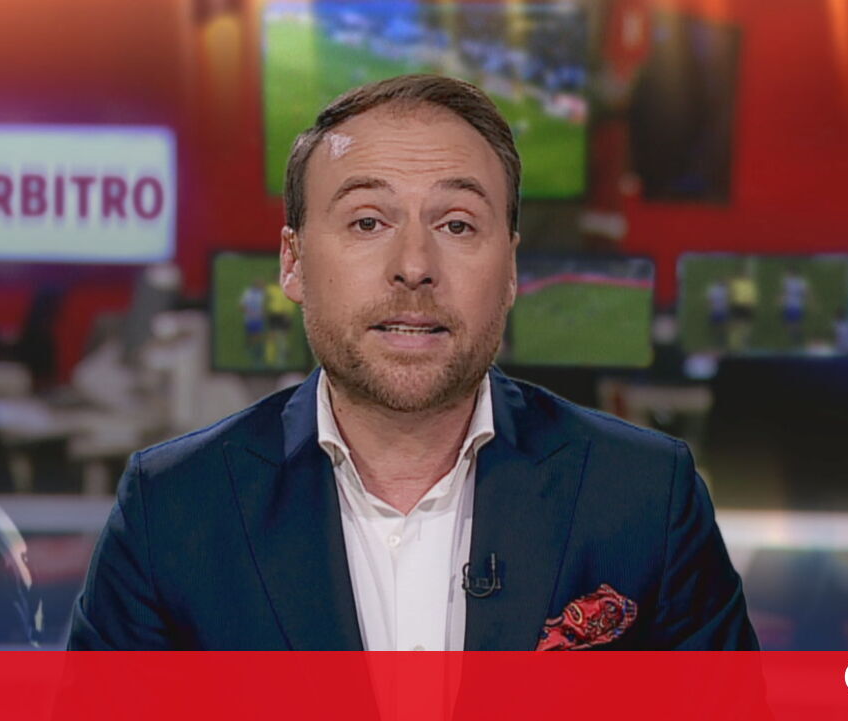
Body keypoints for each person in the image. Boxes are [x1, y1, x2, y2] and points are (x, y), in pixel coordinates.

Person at [68, 74, 757, 651]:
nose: (415, 266)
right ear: (293, 261)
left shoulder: (644, 497)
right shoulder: (173, 509)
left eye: (457, 224)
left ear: (511, 269)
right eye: (368, 222)